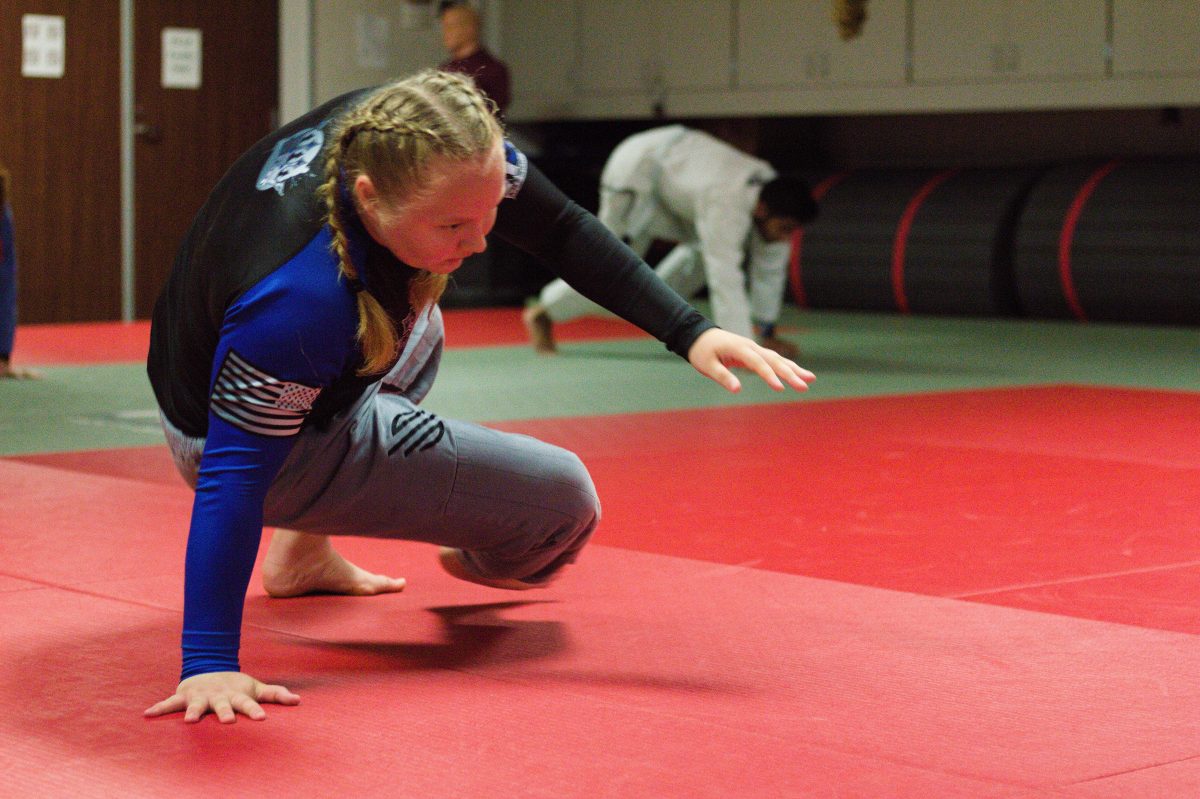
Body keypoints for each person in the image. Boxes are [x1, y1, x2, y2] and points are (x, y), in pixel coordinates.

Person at [142, 70, 814, 724]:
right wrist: (208, 660)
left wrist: (690, 331)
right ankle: (351, 509)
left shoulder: (418, 132)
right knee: (563, 506)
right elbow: (233, 477)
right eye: (455, 226)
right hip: (225, 438)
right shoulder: (301, 302)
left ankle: (303, 552)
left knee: (419, 320)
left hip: (232, 368)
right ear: (371, 199)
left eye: (490, 212)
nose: (483, 239)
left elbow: (562, 229)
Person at [522, 125, 818, 358]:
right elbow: (725, 276)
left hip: (677, 188)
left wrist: (765, 332)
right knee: (612, 262)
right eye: (784, 228)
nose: (785, 237)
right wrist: (746, 349)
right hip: (638, 169)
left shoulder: (773, 197)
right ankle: (544, 313)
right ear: (762, 210)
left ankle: (657, 308)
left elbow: (770, 271)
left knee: (696, 261)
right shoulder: (727, 200)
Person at [438, 2, 510, 118]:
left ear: (470, 28)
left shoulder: (492, 70)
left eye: (451, 26)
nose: (446, 33)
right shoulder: (444, 69)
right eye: (444, 27)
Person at [0, 165, 38, 380]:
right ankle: (3, 360)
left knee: (6, 298)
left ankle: (3, 360)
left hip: (4, 271)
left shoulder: (5, 215)